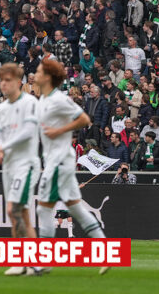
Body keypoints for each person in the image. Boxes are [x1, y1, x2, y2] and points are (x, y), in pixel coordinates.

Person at [34, 57, 108, 273]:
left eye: (39, 71)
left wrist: (58, 132)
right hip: (56, 159)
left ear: (47, 77)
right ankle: (105, 253)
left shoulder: (58, 99)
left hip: (58, 160)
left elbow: (84, 119)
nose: (35, 75)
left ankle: (44, 262)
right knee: (76, 208)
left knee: (44, 209)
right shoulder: (44, 99)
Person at [0, 63, 42, 276]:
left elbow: (29, 131)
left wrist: (4, 146)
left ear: (19, 83)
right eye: (1, 80)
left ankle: (29, 261)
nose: (3, 84)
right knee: (20, 214)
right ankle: (26, 262)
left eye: (8, 80)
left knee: (13, 210)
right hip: (9, 166)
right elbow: (1, 134)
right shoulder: (1, 107)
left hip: (26, 163)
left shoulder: (30, 103)